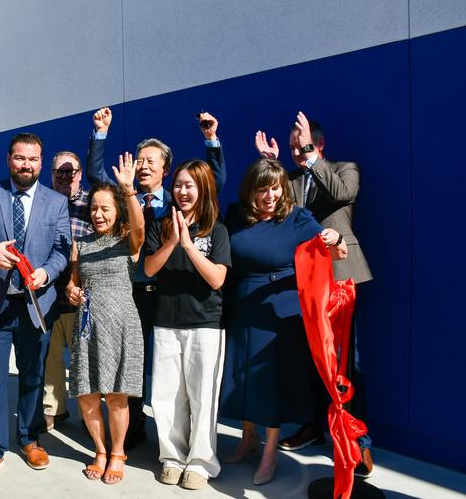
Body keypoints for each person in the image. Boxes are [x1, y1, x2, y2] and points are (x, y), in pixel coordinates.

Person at [86, 107, 226, 448]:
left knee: (169, 371)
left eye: (151, 161)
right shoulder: (124, 196)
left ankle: (184, 437)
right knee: (130, 361)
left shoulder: (176, 205)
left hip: (164, 296)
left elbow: (214, 183)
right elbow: (94, 174)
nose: (143, 166)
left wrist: (211, 141)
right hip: (129, 293)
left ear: (166, 168)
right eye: (139, 160)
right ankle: (132, 431)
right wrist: (101, 132)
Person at [256, 111, 375, 475]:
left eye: (302, 146)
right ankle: (314, 425)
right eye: (292, 147)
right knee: (311, 360)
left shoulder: (344, 169)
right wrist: (271, 164)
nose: (296, 152)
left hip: (341, 276)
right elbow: (278, 208)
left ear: (318, 144)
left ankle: (358, 442)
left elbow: (341, 194)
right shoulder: (290, 179)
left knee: (344, 363)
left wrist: (310, 156)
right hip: (306, 282)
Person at [219, 158, 347, 486]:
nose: (270, 195)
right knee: (240, 376)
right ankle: (248, 440)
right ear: (251, 191)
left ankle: (270, 451)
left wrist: (334, 238)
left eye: (275, 187)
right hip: (241, 304)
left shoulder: (297, 217)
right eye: (263, 189)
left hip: (278, 309)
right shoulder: (236, 215)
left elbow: (336, 249)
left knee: (269, 384)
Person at [0, 133, 71, 486]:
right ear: (9, 159)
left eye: (33, 159)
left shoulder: (57, 202)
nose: (26, 165)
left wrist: (47, 272)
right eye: (20, 158)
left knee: (33, 374)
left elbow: (61, 249)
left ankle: (29, 436)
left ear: (41, 161)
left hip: (36, 303)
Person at [143, 160, 230, 490]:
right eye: (178, 184)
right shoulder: (161, 225)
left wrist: (190, 246)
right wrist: (171, 241)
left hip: (206, 323)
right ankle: (172, 457)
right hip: (167, 321)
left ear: (203, 188)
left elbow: (218, 278)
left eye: (189, 185)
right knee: (166, 396)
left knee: (202, 395)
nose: (182, 191)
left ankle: (200, 461)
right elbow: (150, 269)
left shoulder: (216, 229)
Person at [66, 153, 144, 485]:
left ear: (117, 211)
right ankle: (99, 450)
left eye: (105, 208)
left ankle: (117, 453)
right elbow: (74, 281)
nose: (98, 214)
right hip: (87, 327)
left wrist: (128, 191)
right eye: (94, 208)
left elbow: (140, 227)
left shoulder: (129, 240)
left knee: (115, 396)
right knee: (86, 396)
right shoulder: (80, 244)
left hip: (122, 324)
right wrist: (71, 289)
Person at [42, 150, 92, 431]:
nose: (64, 176)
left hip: (80, 293)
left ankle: (89, 413)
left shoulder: (90, 203)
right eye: (59, 171)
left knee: (82, 357)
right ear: (52, 175)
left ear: (80, 174)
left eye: (70, 171)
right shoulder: (44, 203)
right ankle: (54, 408)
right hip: (48, 292)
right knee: (50, 357)